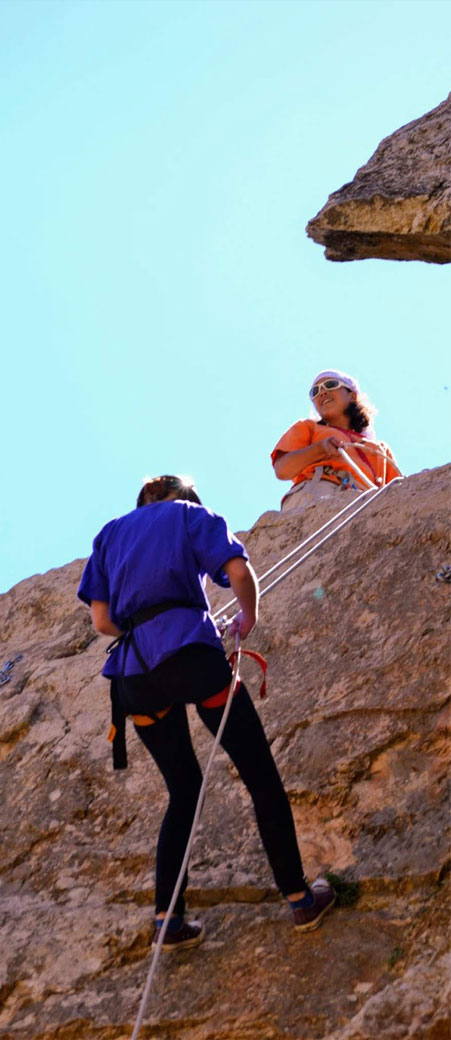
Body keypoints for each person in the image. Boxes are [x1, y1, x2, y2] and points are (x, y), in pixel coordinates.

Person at [77, 474, 335, 951]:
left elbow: (101, 621)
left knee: (184, 791)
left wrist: (148, 628)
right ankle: (300, 898)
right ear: (184, 497)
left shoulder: (110, 534)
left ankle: (167, 921)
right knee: (259, 776)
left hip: (135, 676)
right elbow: (238, 572)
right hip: (192, 658)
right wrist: (246, 617)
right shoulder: (190, 515)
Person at [271, 369, 400, 512]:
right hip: (316, 494)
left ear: (352, 395)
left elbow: (400, 493)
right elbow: (282, 469)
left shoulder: (379, 450)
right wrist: (319, 449)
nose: (322, 392)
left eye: (330, 384)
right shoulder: (308, 428)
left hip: (365, 507)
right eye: (315, 392)